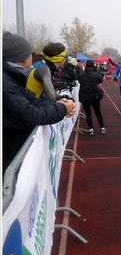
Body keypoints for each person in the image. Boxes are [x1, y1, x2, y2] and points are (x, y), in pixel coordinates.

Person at [2, 31, 76, 174]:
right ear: (24, 58)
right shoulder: (40, 69)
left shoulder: (13, 76)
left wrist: (61, 104)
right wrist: (62, 107)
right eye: (31, 53)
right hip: (9, 153)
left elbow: (32, 99)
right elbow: (29, 114)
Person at [77, 60, 106, 136]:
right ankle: (102, 128)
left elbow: (80, 81)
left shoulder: (81, 74)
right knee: (98, 112)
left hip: (84, 95)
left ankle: (91, 129)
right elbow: (100, 80)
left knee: (88, 113)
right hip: (94, 95)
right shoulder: (96, 74)